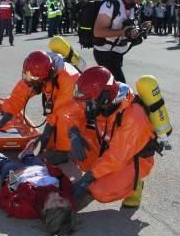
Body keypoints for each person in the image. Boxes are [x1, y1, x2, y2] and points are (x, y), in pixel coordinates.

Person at [61, 66, 163, 209]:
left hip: (134, 159)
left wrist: (86, 180)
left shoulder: (133, 116)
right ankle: (99, 173)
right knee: (83, 155)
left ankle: (134, 185)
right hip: (111, 147)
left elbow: (116, 157)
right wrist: (73, 135)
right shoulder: (100, 100)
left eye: (87, 103)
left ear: (104, 98)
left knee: (100, 191)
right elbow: (71, 113)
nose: (83, 106)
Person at [0, 50, 81, 164]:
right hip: (59, 104)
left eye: (32, 79)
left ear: (45, 77)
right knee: (50, 144)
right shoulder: (37, 71)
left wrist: (44, 137)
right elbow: (19, 95)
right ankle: (58, 143)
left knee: (63, 116)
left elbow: (59, 111)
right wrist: (3, 121)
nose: (28, 80)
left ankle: (63, 153)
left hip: (76, 109)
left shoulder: (69, 78)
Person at [0, 138, 75, 235]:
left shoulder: (25, 210)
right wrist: (51, 168)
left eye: (54, 201)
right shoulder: (68, 201)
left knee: (8, 165)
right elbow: (64, 180)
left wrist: (12, 178)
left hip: (18, 177)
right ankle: (27, 155)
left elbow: (5, 200)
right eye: (61, 200)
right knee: (35, 161)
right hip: (39, 170)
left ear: (44, 210)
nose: (56, 196)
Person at [91, 0, 150, 84]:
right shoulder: (111, 5)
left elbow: (128, 28)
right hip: (104, 52)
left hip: (118, 53)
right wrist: (123, 32)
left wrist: (139, 29)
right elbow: (97, 32)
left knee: (110, 90)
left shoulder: (134, 7)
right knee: (120, 87)